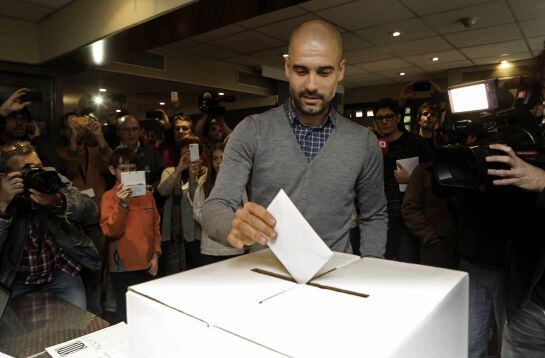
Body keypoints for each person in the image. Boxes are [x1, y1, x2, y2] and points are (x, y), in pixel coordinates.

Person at [202, 20, 387, 256]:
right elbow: (215, 206)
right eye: (301, 70)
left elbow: (374, 216)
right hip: (266, 275)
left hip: (336, 277)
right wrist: (233, 227)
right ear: (287, 67)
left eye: (324, 71)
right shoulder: (252, 130)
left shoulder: (363, 141)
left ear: (340, 71)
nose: (311, 85)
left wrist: (370, 267)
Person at [0, 142, 100, 309]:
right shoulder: (2, 192)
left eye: (38, 167)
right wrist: (2, 204)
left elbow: (92, 210)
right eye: (27, 169)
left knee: (78, 325)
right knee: (14, 333)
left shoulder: (50, 178)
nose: (36, 174)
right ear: (5, 175)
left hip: (59, 272)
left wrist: (58, 201)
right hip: (14, 279)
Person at [100, 148, 161, 322]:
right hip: (123, 268)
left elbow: (155, 227)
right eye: (123, 170)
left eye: (132, 169)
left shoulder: (147, 195)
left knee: (148, 313)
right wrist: (122, 205)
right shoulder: (109, 197)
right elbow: (110, 231)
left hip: (149, 264)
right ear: (113, 171)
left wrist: (156, 255)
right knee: (126, 315)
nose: (128, 173)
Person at [373, 98, 431, 263]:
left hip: (407, 218)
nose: (383, 122)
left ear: (398, 118)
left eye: (388, 117)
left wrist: (412, 179)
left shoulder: (416, 143)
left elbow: (433, 179)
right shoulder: (371, 144)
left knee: (407, 266)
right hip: (377, 217)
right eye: (379, 118)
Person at [158, 135, 205, 273]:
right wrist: (179, 169)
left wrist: (192, 174)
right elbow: (163, 191)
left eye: (192, 147)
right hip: (172, 234)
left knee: (197, 272)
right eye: (185, 147)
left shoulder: (205, 172)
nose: (188, 151)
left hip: (195, 232)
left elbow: (196, 197)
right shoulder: (169, 171)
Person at [193, 142, 245, 265]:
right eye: (215, 159)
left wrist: (230, 224)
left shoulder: (238, 182)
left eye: (222, 158)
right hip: (211, 248)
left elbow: (245, 208)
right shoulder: (204, 184)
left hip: (234, 247)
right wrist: (213, 222)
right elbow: (197, 211)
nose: (218, 162)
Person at [0, 88, 65, 174]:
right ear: (5, 121)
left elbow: (58, 169)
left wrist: (38, 138)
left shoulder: (35, 146)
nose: (19, 122)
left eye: (23, 119)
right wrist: (2, 113)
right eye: (13, 118)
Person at [116, 114, 164, 190]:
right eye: (126, 129)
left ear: (140, 131)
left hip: (148, 199)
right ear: (118, 132)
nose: (131, 133)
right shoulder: (112, 154)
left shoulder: (152, 153)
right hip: (119, 199)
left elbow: (161, 176)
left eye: (135, 129)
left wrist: (152, 189)